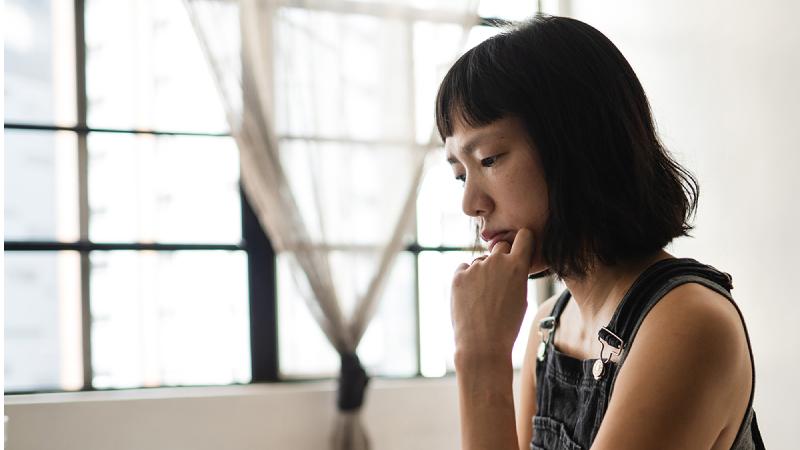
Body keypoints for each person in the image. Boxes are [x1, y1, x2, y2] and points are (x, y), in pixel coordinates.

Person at [436, 15, 765, 450]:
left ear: (576, 145)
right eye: (461, 174)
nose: (470, 203)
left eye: (490, 159)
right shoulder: (548, 327)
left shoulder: (687, 323)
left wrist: (481, 356)